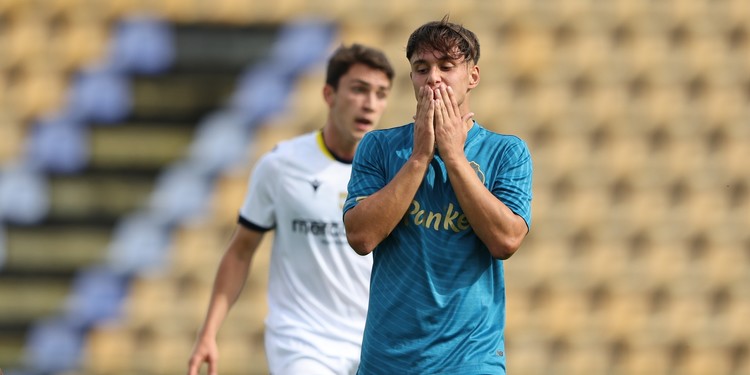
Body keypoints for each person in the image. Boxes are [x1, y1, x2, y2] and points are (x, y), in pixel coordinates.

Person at [188, 43, 394, 375]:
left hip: (374, 342)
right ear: (329, 94)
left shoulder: (395, 174)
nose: (370, 104)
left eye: (381, 94)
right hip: (302, 342)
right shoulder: (281, 165)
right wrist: (208, 332)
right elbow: (241, 251)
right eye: (359, 90)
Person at [343, 17, 533, 375]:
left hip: (471, 360)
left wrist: (454, 156)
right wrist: (419, 157)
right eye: (421, 68)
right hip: (389, 360)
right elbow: (361, 236)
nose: (433, 77)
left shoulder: (507, 152)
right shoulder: (379, 147)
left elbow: (506, 240)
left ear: (472, 77)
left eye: (447, 66)